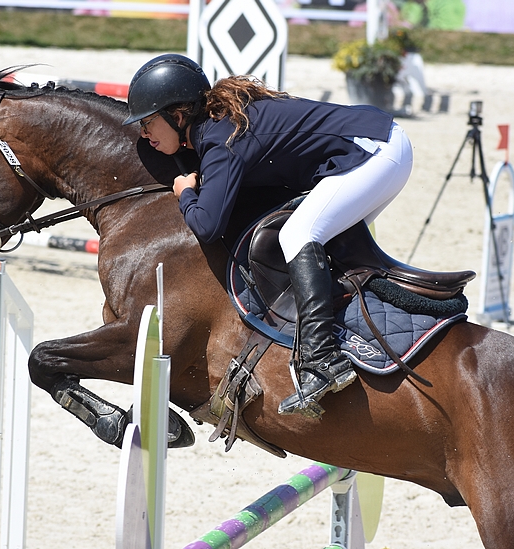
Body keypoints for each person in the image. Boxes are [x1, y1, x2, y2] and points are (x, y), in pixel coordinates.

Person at [124, 54, 413, 418]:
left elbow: (207, 225)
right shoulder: (217, 128)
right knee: (320, 240)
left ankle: (324, 361)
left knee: (298, 234)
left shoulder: (220, 139)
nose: (144, 133)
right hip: (380, 143)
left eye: (149, 123)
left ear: (177, 116)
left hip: (375, 152)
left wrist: (185, 192)